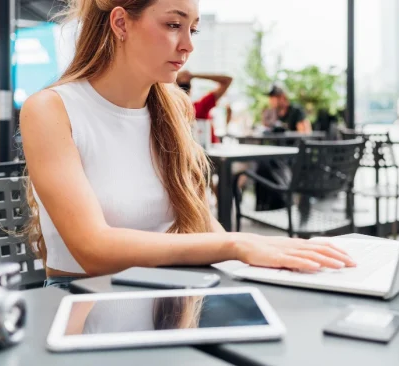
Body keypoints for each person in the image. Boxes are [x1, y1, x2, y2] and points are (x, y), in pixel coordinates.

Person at [19, 0, 355, 290]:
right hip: (81, 299)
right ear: (121, 23)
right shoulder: (51, 109)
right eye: (173, 24)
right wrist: (237, 243)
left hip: (172, 291)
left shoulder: (173, 107)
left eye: (192, 29)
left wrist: (269, 259)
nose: (187, 45)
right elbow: (92, 250)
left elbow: (204, 224)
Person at [176, 70, 232, 143]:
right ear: (191, 90)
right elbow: (227, 80)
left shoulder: (198, 107)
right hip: (209, 151)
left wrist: (175, 78)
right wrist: (193, 75)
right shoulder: (199, 107)